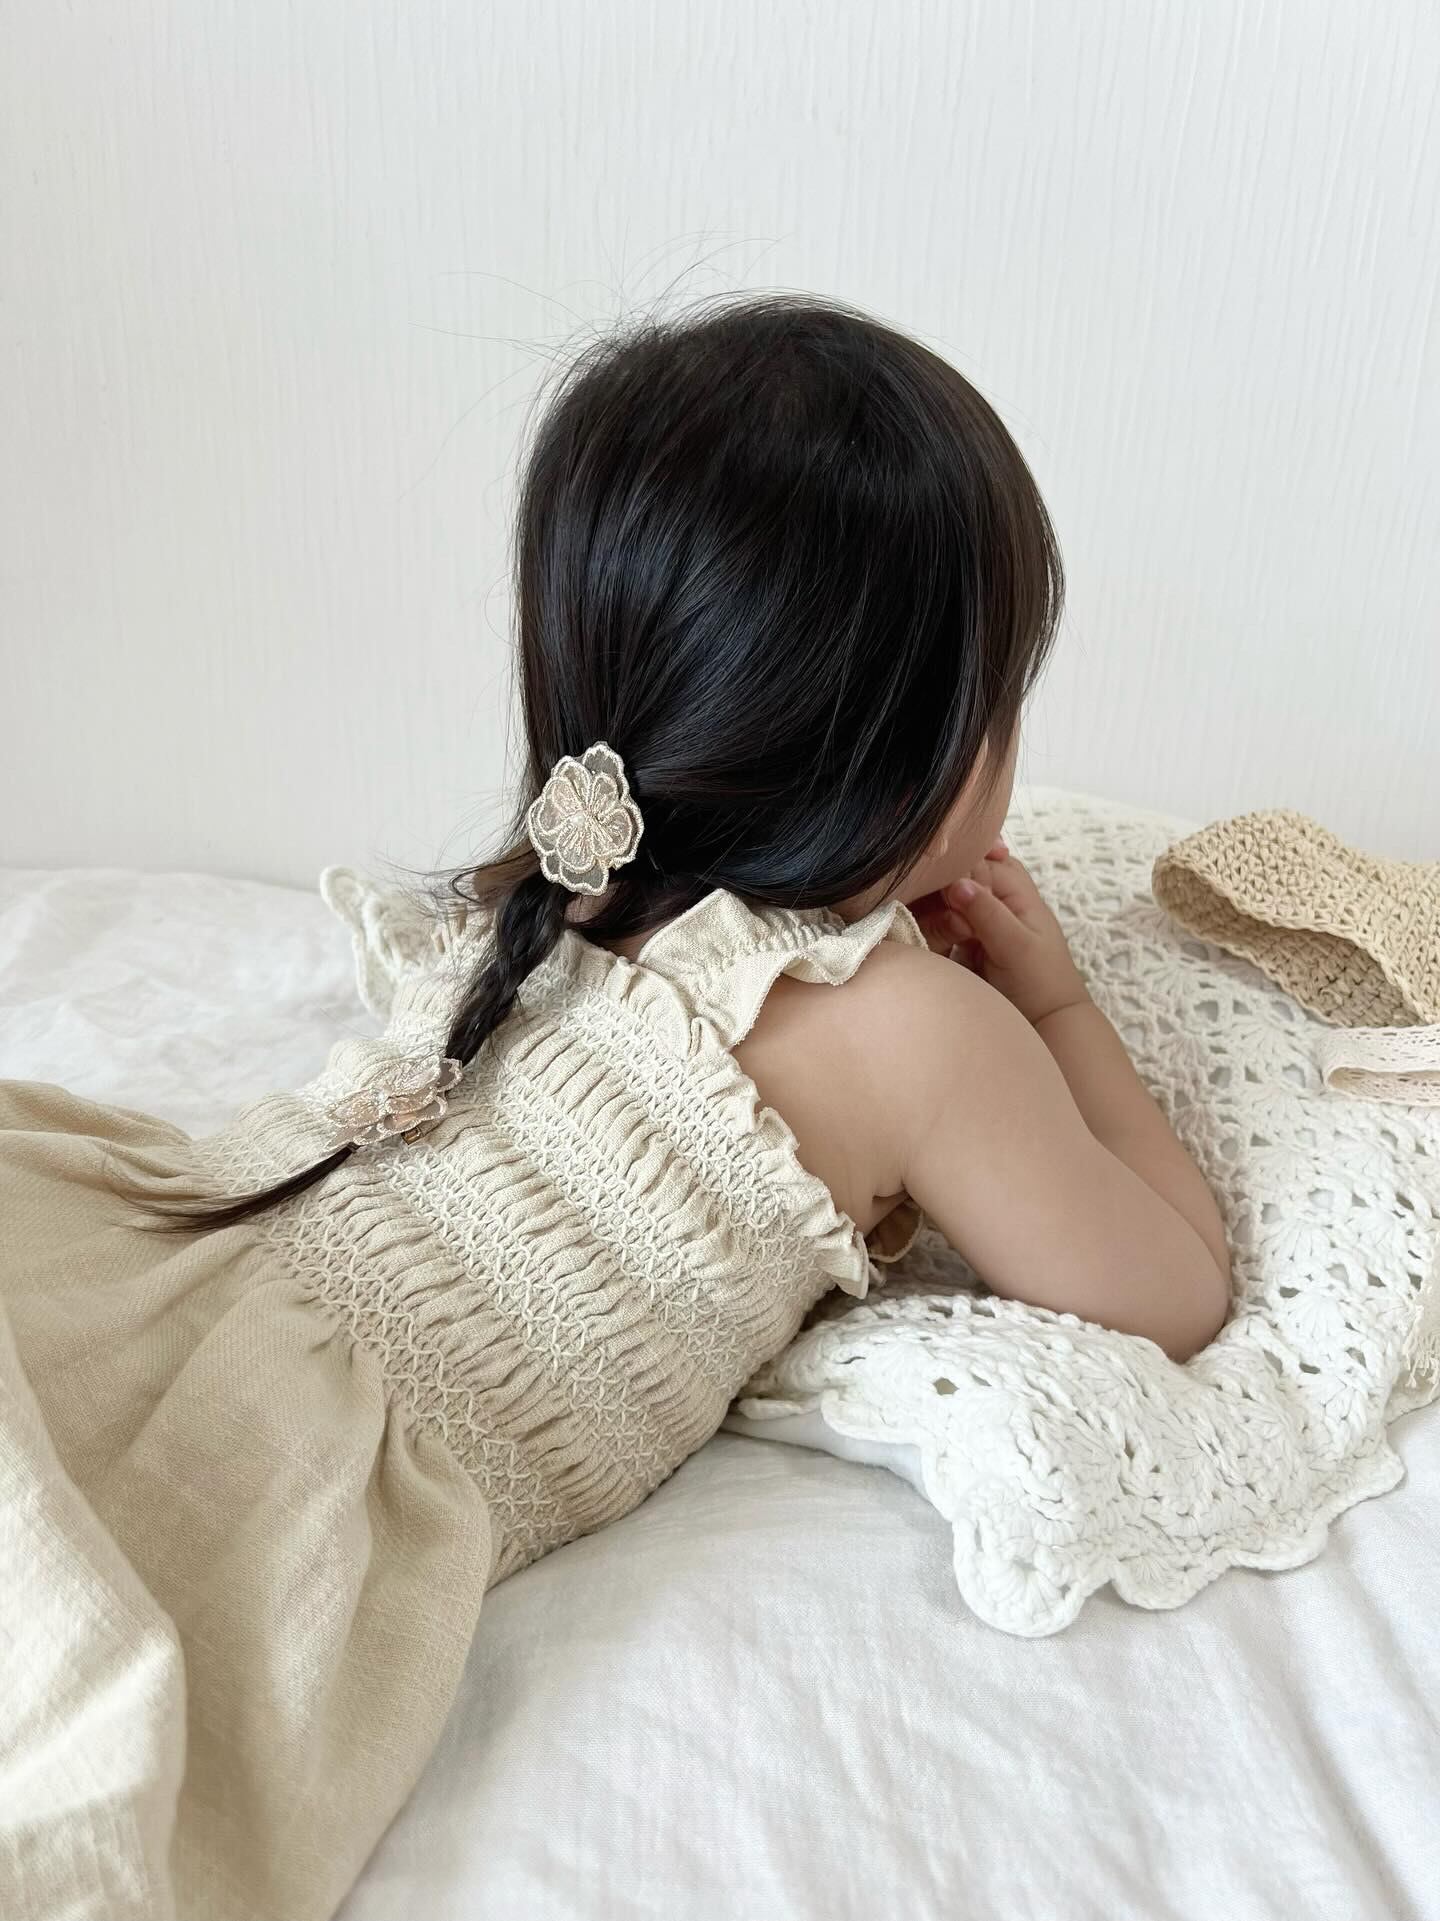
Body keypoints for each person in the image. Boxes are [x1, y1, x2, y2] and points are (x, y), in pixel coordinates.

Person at [0, 293, 1230, 1921]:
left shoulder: (564, 885)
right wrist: (1059, 1008)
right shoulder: (924, 1034)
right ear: (919, 750)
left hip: (165, 1274)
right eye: (1000, 701)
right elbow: (1173, 1283)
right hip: (297, 1469)